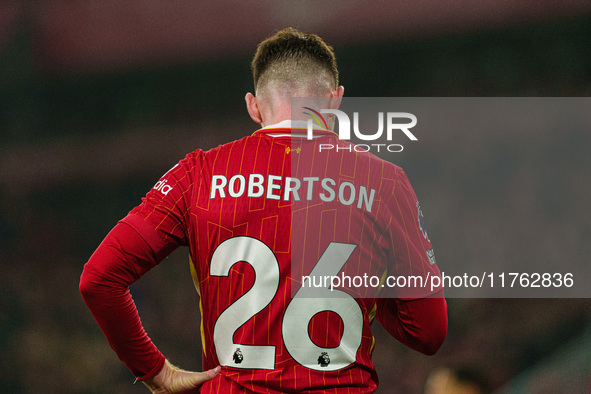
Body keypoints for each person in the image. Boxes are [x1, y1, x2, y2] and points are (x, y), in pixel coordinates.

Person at [80, 27, 447, 393]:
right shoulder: (383, 181)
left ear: (253, 106)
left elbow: (99, 279)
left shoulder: (198, 174)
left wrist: (155, 371)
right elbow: (429, 332)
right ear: (335, 101)